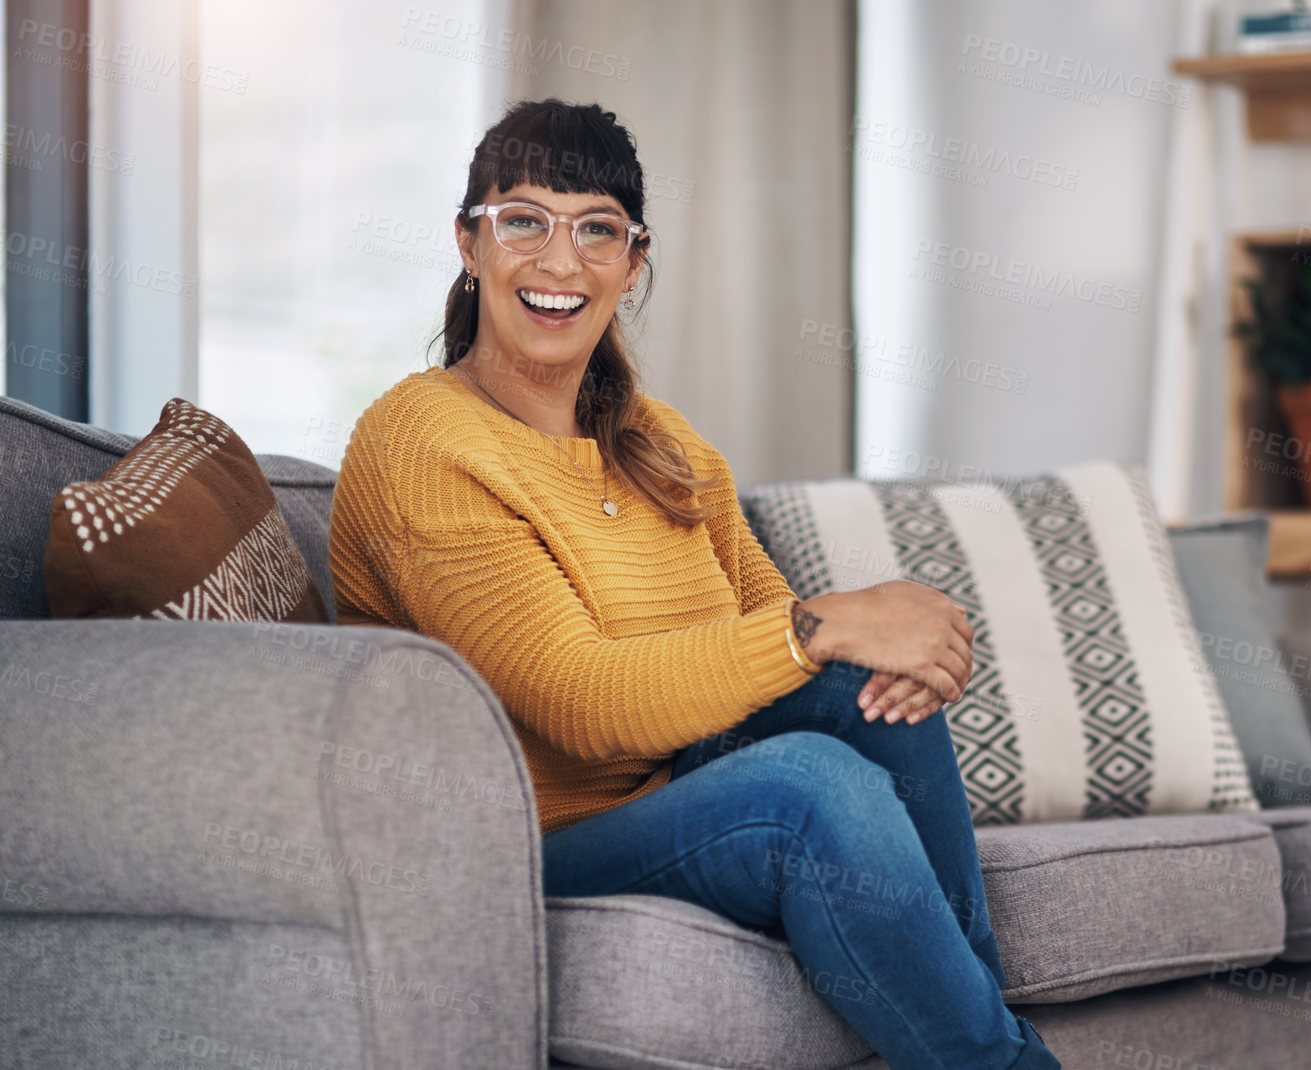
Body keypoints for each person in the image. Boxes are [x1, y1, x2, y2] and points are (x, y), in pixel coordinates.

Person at [327, 98, 1058, 1070]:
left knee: (866, 704)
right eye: (523, 222)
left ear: (633, 264)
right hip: (518, 839)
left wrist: (888, 653)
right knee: (810, 783)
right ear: (469, 243)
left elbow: (783, 648)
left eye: (596, 230)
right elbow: (578, 698)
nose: (559, 262)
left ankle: (973, 1032)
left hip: (669, 789)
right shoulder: (421, 438)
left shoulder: (662, 442)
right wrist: (828, 623)